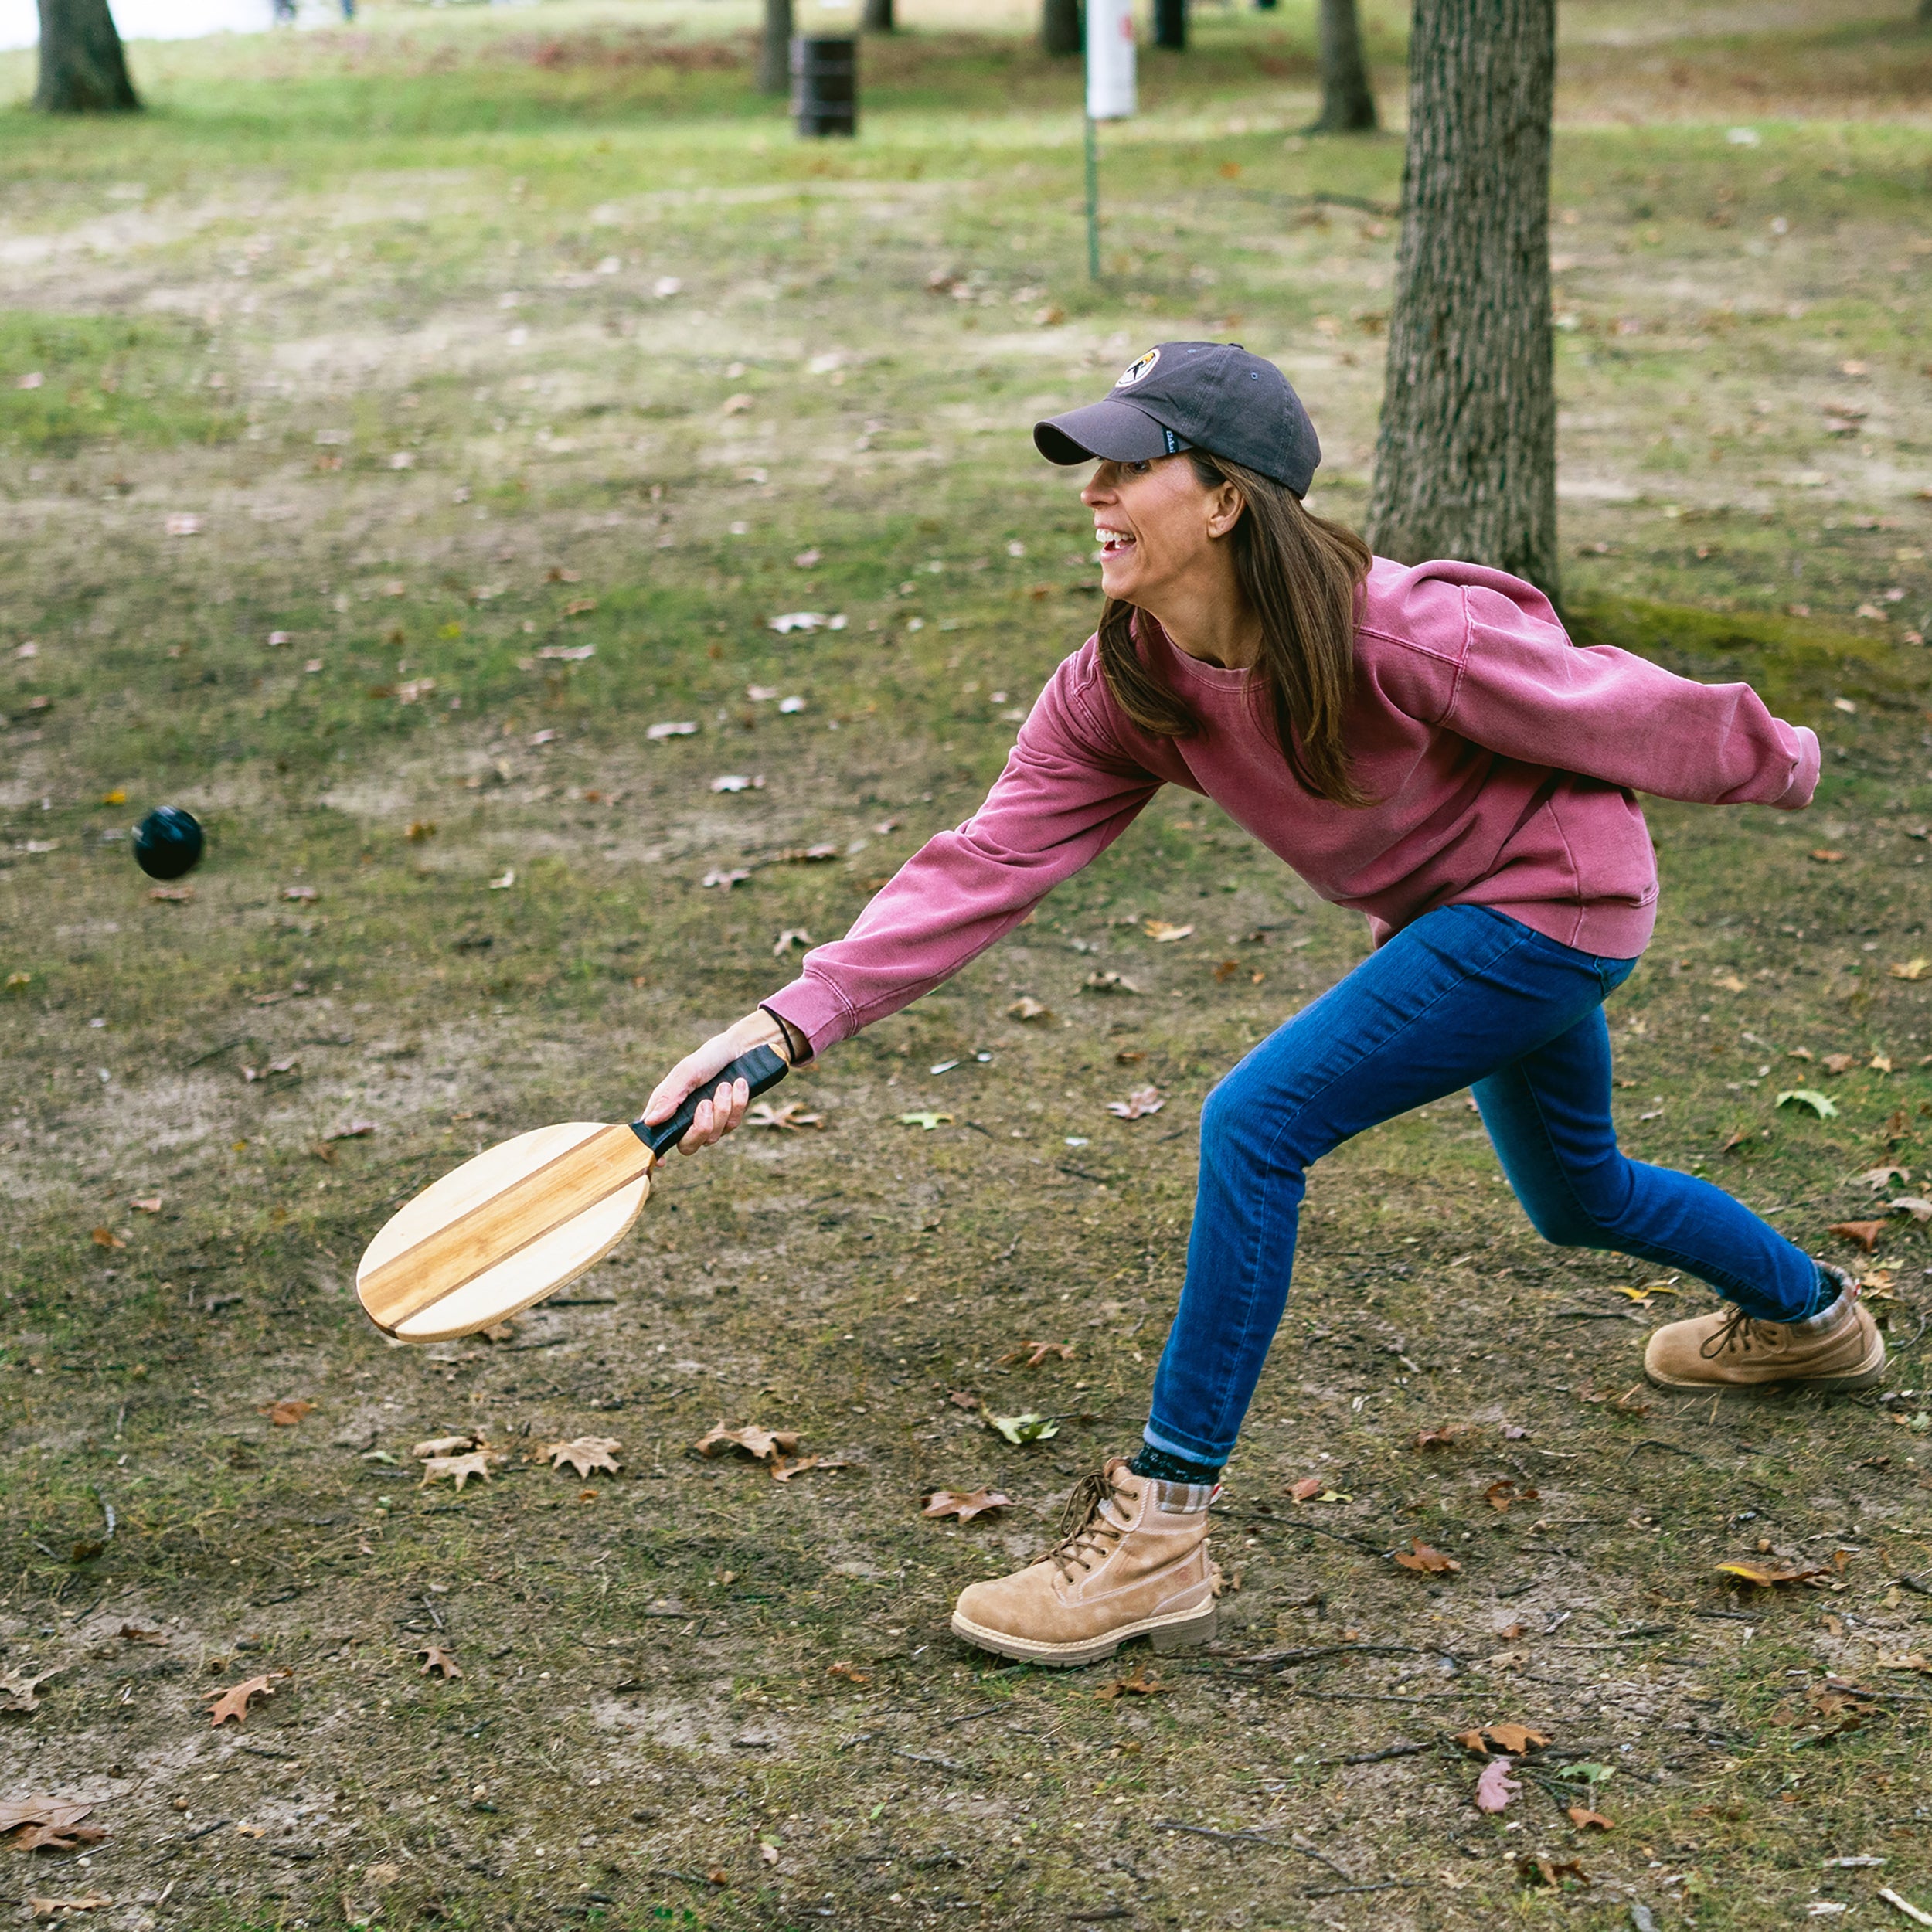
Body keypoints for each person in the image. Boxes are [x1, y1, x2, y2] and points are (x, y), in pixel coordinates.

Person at [641, 340, 1878, 1668]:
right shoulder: (1126, 683)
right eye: (1089, 468)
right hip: (1457, 925)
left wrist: (1793, 762)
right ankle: (1813, 1319)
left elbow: (1624, 705)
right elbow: (984, 865)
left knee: (1255, 1122)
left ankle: (1160, 1532)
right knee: (1576, 1198)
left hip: (1554, 907)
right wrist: (779, 1032)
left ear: (1226, 496)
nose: (1093, 493)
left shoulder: (1399, 629)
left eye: (1128, 465)